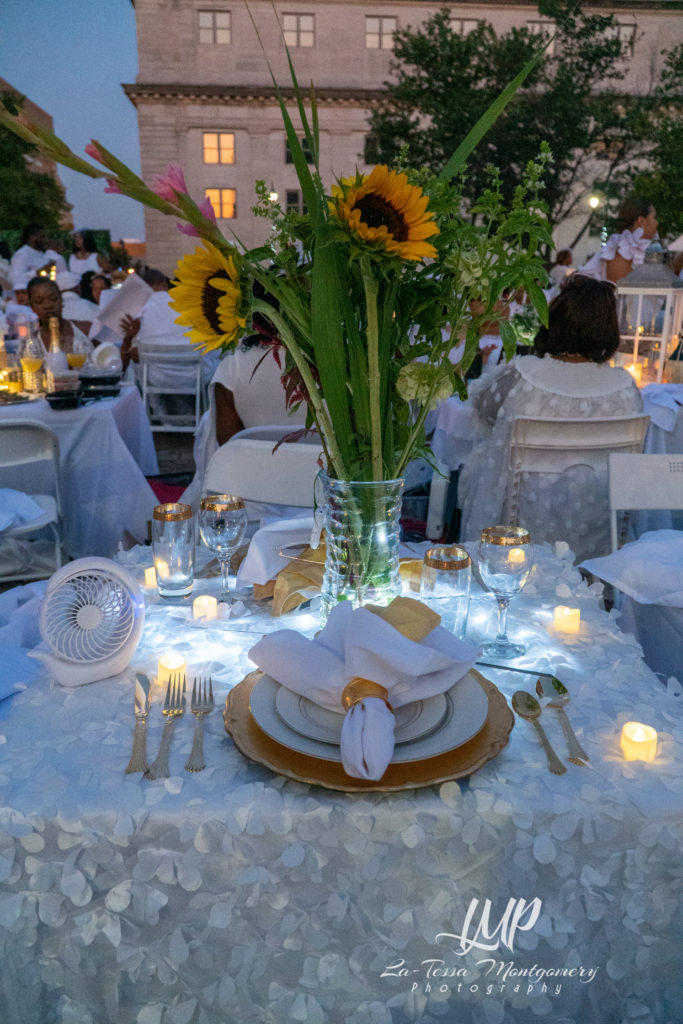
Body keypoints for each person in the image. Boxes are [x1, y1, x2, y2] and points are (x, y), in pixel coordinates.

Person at [458, 275, 644, 561]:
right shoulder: (625, 388)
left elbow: (482, 410)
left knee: (481, 456)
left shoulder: (523, 375)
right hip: (595, 535)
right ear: (609, 330)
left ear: (552, 319)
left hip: (521, 532)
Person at [580, 197, 658, 284]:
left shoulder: (633, 248)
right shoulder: (623, 249)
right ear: (641, 221)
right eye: (654, 217)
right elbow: (618, 291)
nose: (656, 223)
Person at [27, 276, 92, 353]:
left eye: (53, 298)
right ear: (31, 307)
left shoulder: (86, 330)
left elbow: (109, 360)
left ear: (61, 300)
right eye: (39, 301)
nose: (48, 305)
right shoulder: (32, 343)